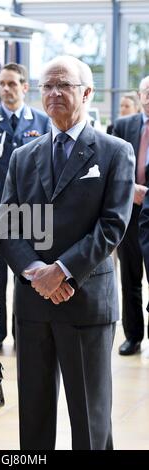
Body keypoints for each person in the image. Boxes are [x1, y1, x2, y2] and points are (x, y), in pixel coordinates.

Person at [0, 55, 135, 450]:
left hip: (86, 301)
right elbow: (8, 225)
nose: (54, 93)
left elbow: (112, 226)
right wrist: (35, 271)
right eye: (48, 86)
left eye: (64, 85)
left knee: (90, 421)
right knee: (34, 421)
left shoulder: (113, 152)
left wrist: (61, 269)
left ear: (87, 93)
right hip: (33, 304)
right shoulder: (24, 156)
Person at [0, 62, 50, 352]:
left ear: (25, 87)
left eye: (12, 83)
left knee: (29, 276)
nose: (6, 89)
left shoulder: (42, 122)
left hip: (32, 215)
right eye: (2, 84)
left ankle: (23, 334)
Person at [113, 77, 149, 355]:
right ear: (139, 96)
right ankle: (133, 336)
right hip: (130, 212)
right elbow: (110, 167)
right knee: (129, 277)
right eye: (146, 92)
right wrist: (129, 187)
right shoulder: (124, 126)